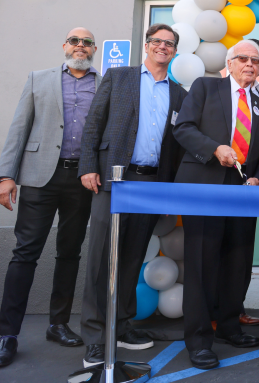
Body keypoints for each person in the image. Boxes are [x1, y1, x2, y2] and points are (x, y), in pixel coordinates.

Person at [0, 29, 100, 369]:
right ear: (65, 46)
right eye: (74, 40)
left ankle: (58, 324)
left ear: (94, 49)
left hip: (82, 179)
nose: (80, 46)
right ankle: (8, 335)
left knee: (69, 253)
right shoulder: (39, 79)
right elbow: (19, 127)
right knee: (25, 253)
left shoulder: (104, 83)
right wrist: (6, 176)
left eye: (87, 42)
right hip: (39, 177)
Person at [77, 24, 187, 368]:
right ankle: (95, 337)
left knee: (132, 257)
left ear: (174, 51)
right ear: (147, 45)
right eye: (157, 42)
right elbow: (94, 123)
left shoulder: (179, 93)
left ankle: (121, 326)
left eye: (169, 44)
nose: (163, 48)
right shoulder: (119, 76)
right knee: (100, 260)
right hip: (113, 180)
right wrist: (88, 165)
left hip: (151, 185)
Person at [172, 40, 259, 369]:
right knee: (202, 265)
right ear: (229, 63)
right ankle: (199, 339)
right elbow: (183, 128)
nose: (249, 64)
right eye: (242, 58)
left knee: (238, 263)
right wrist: (215, 148)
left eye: (255, 60)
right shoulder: (206, 87)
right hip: (205, 188)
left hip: (242, 193)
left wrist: (258, 176)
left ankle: (229, 327)